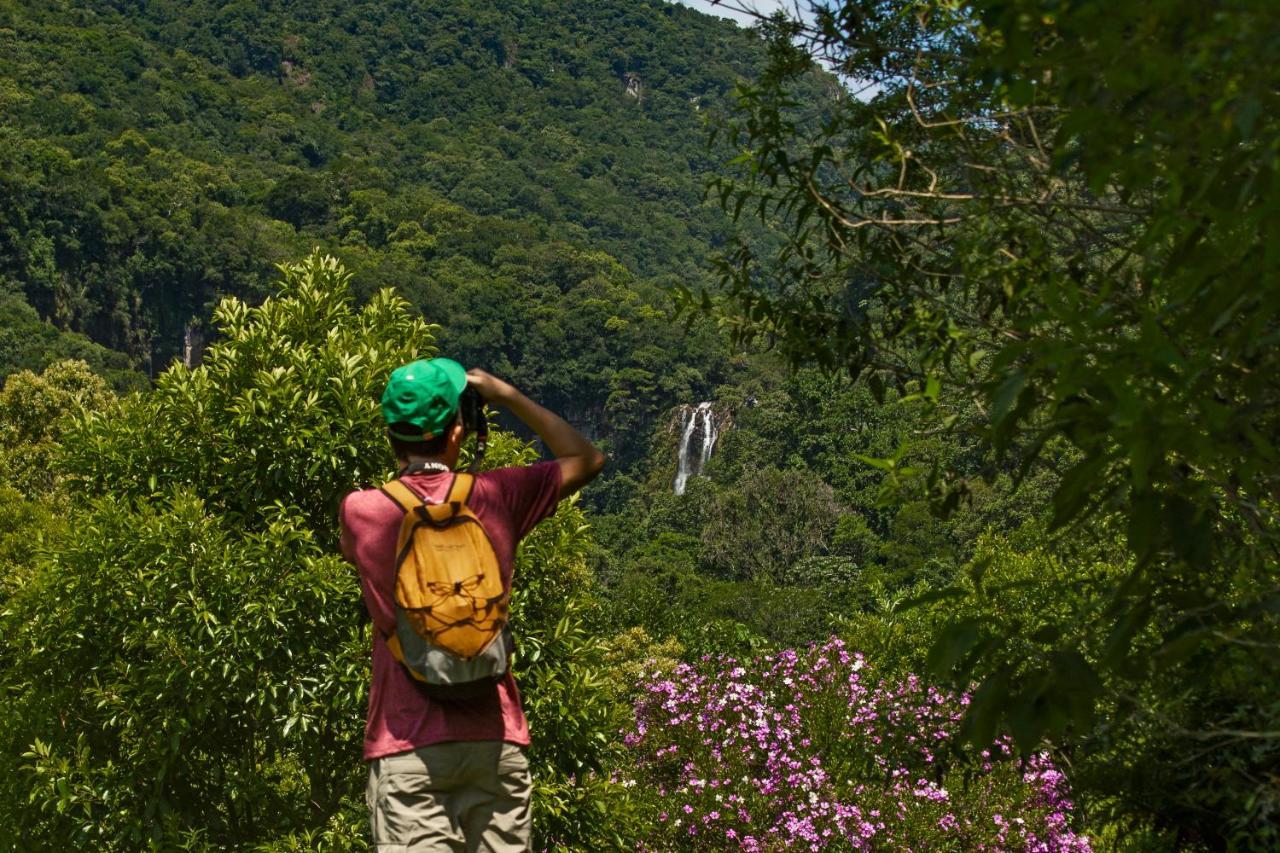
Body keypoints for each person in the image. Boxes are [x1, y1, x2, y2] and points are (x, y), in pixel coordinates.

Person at [339, 358, 604, 852]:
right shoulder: (499, 494)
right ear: (458, 429)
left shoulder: (363, 511)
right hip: (494, 741)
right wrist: (505, 395)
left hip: (407, 747)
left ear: (391, 433)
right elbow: (586, 458)